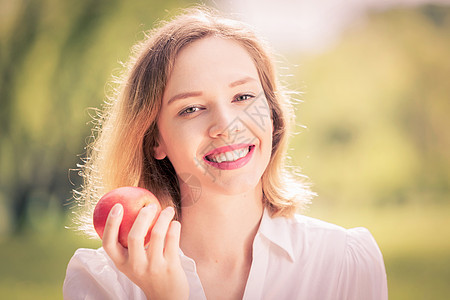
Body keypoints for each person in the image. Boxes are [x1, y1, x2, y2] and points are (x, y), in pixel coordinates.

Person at [63, 6, 388, 300]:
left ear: (272, 112)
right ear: (154, 140)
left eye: (243, 97)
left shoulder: (344, 261)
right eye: (191, 108)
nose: (226, 125)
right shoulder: (104, 281)